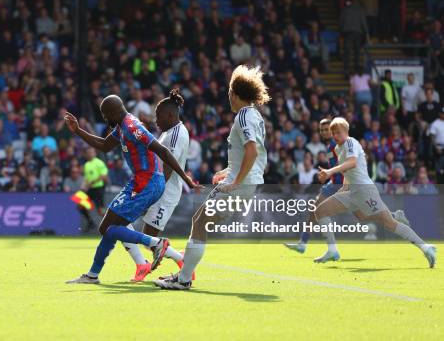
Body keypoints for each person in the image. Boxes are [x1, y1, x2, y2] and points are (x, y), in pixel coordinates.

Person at [155, 65, 270, 290]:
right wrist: (229, 172)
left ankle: (184, 279)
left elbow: (252, 151)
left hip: (240, 185)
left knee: (200, 223)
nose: (228, 96)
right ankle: (183, 276)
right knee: (200, 222)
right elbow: (254, 156)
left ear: (235, 94)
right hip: (248, 182)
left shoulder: (244, 116)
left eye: (229, 92)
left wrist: (235, 182)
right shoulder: (254, 115)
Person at [64, 95, 198, 284]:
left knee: (110, 227)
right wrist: (78, 131)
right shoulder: (121, 127)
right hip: (138, 182)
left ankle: (155, 246)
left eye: (104, 114)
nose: (104, 119)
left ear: (113, 112)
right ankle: (95, 275)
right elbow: (104, 146)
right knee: (107, 228)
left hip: (148, 183)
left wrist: (185, 178)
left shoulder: (133, 128)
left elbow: (163, 151)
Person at [314, 118, 436, 268]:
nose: (335, 135)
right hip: (352, 191)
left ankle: (425, 247)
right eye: (333, 133)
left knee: (389, 224)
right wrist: (344, 188)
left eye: (338, 132)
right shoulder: (338, 149)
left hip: (365, 190)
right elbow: (347, 171)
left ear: (346, 132)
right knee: (322, 211)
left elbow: (352, 162)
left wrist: (329, 171)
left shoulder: (351, 142)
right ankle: (332, 250)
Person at [121, 89, 190, 282]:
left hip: (164, 193)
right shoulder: (168, 132)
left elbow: (168, 167)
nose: (156, 120)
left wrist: (151, 193)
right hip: (155, 188)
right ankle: (147, 263)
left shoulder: (177, 134)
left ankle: (181, 260)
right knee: (122, 220)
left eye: (158, 116)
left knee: (148, 237)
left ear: (170, 115)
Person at [284, 119, 343, 261]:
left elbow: (345, 164)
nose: (323, 132)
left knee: (366, 213)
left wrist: (330, 174)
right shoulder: (329, 146)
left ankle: (395, 218)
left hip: (341, 184)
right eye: (321, 130)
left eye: (325, 129)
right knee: (314, 211)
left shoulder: (336, 144)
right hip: (333, 183)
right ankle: (303, 244)